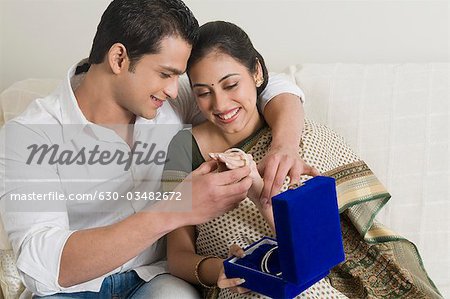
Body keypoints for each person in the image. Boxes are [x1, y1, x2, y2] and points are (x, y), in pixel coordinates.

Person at [0, 1, 313, 298]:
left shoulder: (167, 99)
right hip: (69, 291)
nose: (175, 89)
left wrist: (283, 146)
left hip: (155, 279)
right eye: (166, 74)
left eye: (178, 76)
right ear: (119, 59)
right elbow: (42, 265)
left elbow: (270, 85)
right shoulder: (29, 135)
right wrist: (176, 208)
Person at [163, 21, 443, 299]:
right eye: (203, 93)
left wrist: (263, 195)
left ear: (257, 73)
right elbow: (177, 254)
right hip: (247, 285)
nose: (221, 105)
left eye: (231, 85)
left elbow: (316, 245)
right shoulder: (184, 148)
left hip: (331, 269)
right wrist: (220, 270)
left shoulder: (299, 136)